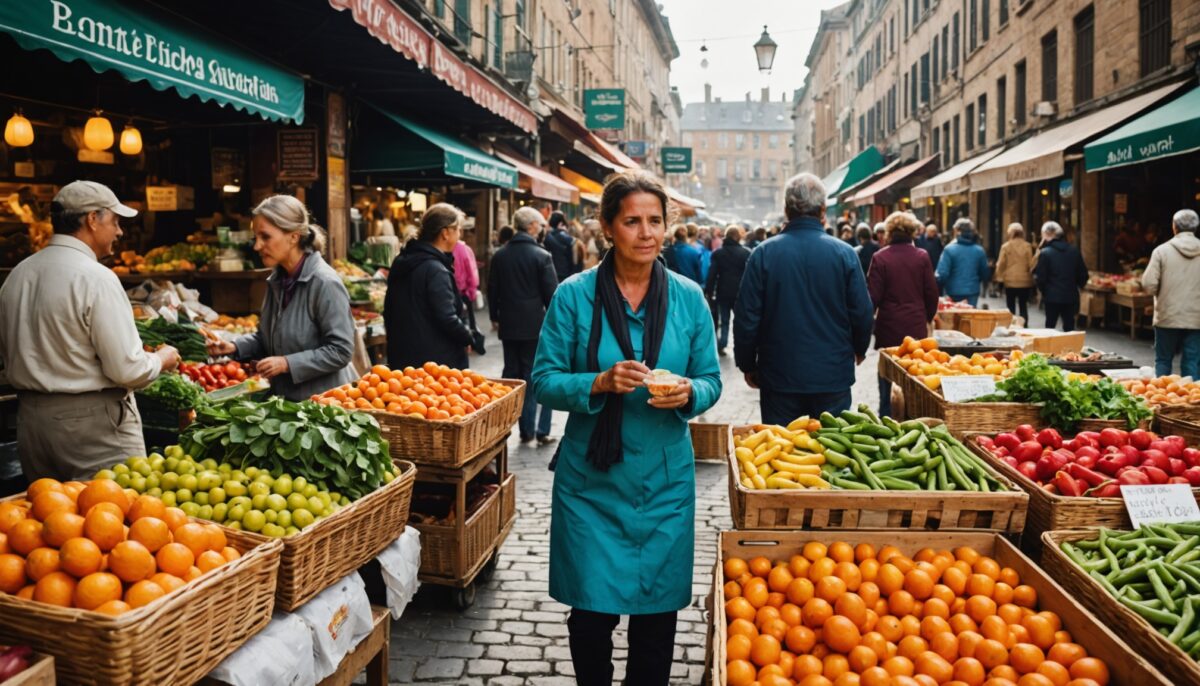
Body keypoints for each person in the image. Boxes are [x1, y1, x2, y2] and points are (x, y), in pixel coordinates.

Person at [531, 171, 721, 685]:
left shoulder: (688, 298)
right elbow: (543, 381)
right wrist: (597, 382)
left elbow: (710, 379)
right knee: (591, 615)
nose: (646, 233)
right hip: (591, 480)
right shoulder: (574, 296)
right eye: (632, 221)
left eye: (655, 221)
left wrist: (690, 393)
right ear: (608, 227)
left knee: (657, 619)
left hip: (664, 482)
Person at [0, 181, 181, 480]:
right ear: (92, 219)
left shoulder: (19, 275)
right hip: (92, 429)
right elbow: (127, 369)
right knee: (114, 519)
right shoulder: (96, 278)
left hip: (33, 423)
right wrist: (162, 358)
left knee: (51, 518)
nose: (120, 231)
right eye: (115, 221)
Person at [734, 173, 874, 424]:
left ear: (786, 210)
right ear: (823, 210)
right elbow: (862, 312)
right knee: (832, 452)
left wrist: (747, 363)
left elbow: (746, 317)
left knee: (783, 454)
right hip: (831, 373)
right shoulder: (844, 254)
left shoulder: (763, 254)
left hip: (780, 373)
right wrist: (859, 349)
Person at [206, 195, 356, 401]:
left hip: (325, 407)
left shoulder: (325, 283)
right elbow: (269, 338)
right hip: (287, 404)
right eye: (255, 238)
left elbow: (340, 351)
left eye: (265, 237)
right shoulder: (277, 280)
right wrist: (235, 346)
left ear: (293, 237)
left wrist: (287, 363)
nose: (257, 246)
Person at [489, 207, 559, 444]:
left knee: (511, 374)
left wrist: (494, 317)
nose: (541, 230)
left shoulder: (500, 255)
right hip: (533, 326)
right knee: (532, 375)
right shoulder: (542, 256)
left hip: (509, 324)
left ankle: (507, 426)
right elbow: (553, 296)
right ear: (530, 226)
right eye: (540, 226)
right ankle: (533, 429)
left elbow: (492, 290)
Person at [384, 203, 475, 369]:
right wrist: (468, 336)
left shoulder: (402, 260)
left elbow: (388, 310)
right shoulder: (435, 269)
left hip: (403, 357)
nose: (460, 235)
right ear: (445, 233)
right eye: (458, 229)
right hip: (434, 364)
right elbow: (447, 318)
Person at [868, 211, 940, 417]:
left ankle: (886, 415)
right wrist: (925, 316)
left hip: (888, 326)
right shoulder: (922, 257)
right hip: (915, 327)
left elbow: (872, 298)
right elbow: (931, 294)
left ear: (888, 232)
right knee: (914, 374)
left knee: (887, 374)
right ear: (912, 233)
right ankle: (912, 416)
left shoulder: (880, 258)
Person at [1141, 209, 1200, 377]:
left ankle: (1163, 400)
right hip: (1197, 318)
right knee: (1192, 362)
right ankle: (1194, 401)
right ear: (1196, 228)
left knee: (1163, 361)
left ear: (1174, 227)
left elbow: (1148, 284)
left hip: (1167, 315)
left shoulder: (1161, 251)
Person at [1033, 221, 1089, 332]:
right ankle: (1070, 349)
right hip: (1070, 296)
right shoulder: (1074, 251)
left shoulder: (1045, 253)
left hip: (1051, 297)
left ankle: (1049, 349)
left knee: (1049, 328)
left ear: (1046, 235)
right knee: (1069, 328)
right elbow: (1083, 275)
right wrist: (1076, 286)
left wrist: (1045, 291)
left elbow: (1040, 278)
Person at [705, 226, 751, 357]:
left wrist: (709, 291)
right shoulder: (745, 253)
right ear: (738, 237)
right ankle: (740, 345)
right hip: (740, 293)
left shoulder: (718, 253)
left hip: (723, 291)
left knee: (724, 321)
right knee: (740, 320)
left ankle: (722, 344)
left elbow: (712, 274)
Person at [936, 218, 991, 306]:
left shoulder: (949, 249)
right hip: (972, 291)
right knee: (969, 317)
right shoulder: (979, 250)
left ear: (958, 231)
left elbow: (942, 274)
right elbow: (985, 272)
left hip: (952, 291)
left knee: (953, 317)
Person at [995, 223, 1035, 322]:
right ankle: (1024, 325)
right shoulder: (1027, 246)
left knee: (1010, 306)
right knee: (1023, 305)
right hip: (1025, 281)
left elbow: (1000, 264)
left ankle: (1012, 325)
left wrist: (999, 277)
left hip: (1009, 280)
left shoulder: (1006, 246)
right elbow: (1031, 264)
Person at [452, 234, 480, 330]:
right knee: (468, 329)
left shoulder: (440, 248)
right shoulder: (464, 249)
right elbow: (472, 273)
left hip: (455, 293)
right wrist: (471, 293)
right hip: (463, 294)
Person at [544, 211, 577, 282]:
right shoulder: (569, 239)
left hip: (550, 275)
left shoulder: (545, 238)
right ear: (561, 223)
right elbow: (574, 261)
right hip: (566, 276)